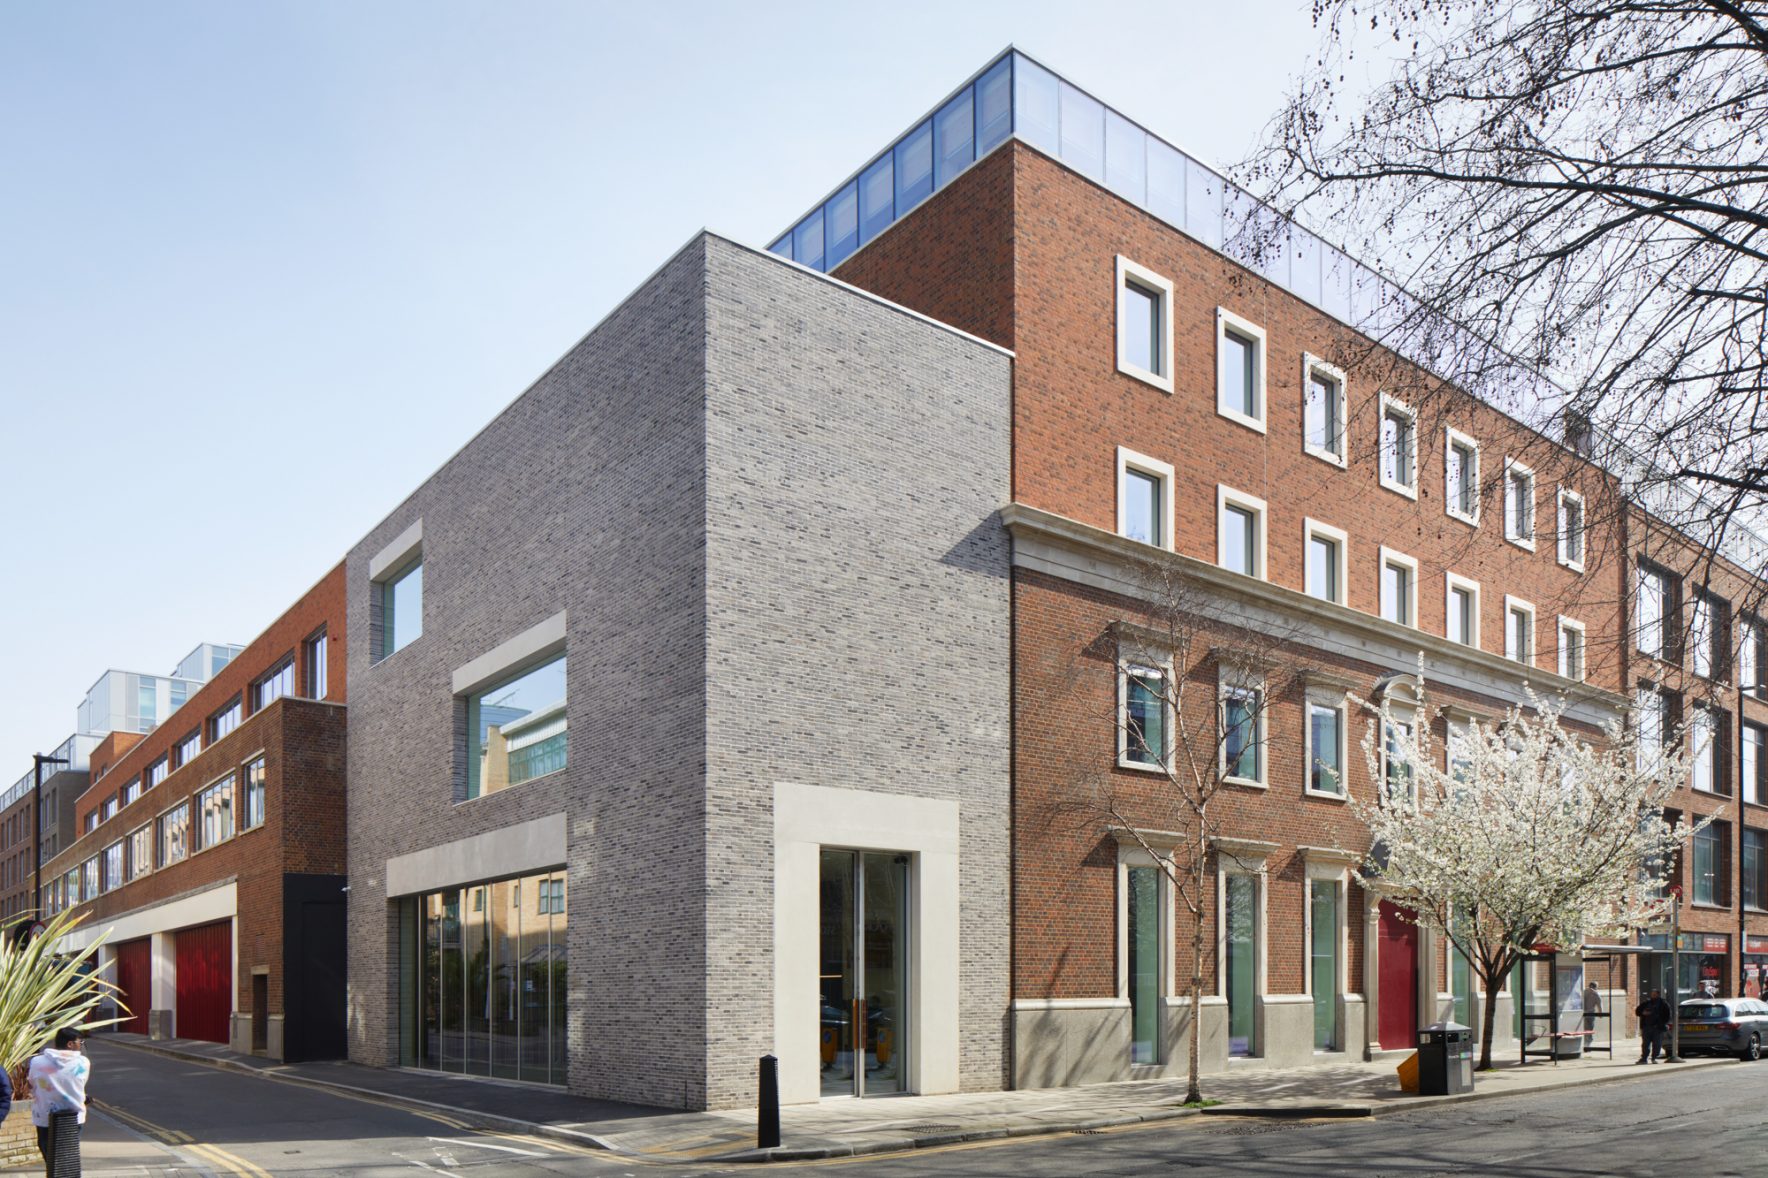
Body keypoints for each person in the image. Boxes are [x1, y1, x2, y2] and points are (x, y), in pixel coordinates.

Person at [28, 1028, 90, 1175]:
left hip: (44, 1117)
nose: (81, 1045)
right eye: (79, 1042)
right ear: (70, 1044)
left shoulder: (37, 1062)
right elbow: (80, 1084)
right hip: (73, 1117)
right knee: (68, 1158)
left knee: (50, 1158)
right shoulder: (83, 1062)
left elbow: (32, 1084)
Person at [1635, 988, 1671, 1063]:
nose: (1653, 995)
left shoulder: (1663, 1003)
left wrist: (1662, 1023)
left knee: (1657, 1044)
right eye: (1652, 994)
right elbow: (1637, 1011)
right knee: (1645, 1044)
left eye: (1654, 994)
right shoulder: (1646, 1003)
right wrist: (1643, 1013)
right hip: (1647, 1027)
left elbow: (1668, 1015)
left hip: (1657, 1028)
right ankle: (1644, 1058)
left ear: (1658, 994)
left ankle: (1654, 1058)